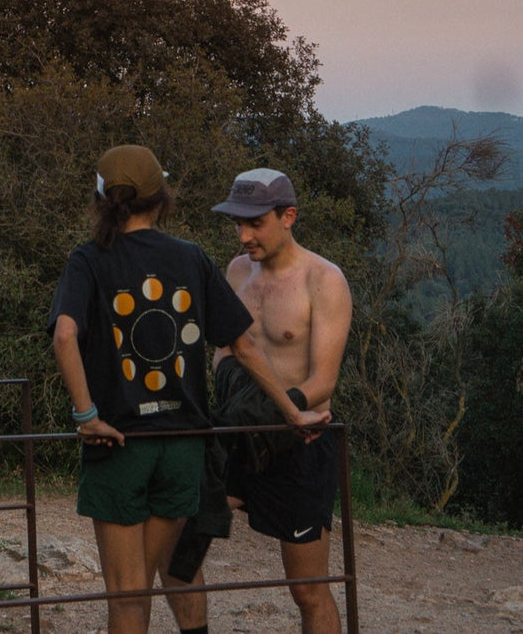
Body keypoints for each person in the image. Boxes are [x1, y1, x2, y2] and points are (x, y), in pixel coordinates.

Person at [48, 146, 327, 634]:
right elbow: (241, 345)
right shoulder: (191, 258)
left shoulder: (88, 260)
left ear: (102, 200)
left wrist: (85, 414)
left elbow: (65, 334)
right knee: (146, 584)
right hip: (181, 448)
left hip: (121, 444)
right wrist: (291, 411)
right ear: (160, 199)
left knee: (127, 596)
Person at [165, 168, 352, 634]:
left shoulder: (324, 280)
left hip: (299, 441)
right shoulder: (236, 270)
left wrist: (270, 409)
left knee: (308, 587)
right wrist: (233, 406)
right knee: (179, 551)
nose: (244, 235)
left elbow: (323, 382)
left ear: (288, 216)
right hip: (234, 430)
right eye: (237, 223)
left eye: (255, 223)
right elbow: (225, 351)